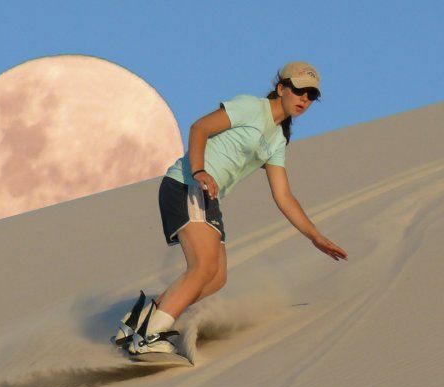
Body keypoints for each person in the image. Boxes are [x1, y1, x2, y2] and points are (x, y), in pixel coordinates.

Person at [114, 61, 348, 356]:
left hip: (210, 197)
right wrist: (199, 171)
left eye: (311, 96)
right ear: (281, 88)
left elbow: (284, 195)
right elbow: (200, 127)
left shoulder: (276, 139)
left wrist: (315, 237)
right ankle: (149, 336)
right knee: (203, 266)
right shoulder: (251, 107)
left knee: (216, 277)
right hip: (187, 183)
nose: (304, 99)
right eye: (299, 91)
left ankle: (138, 324)